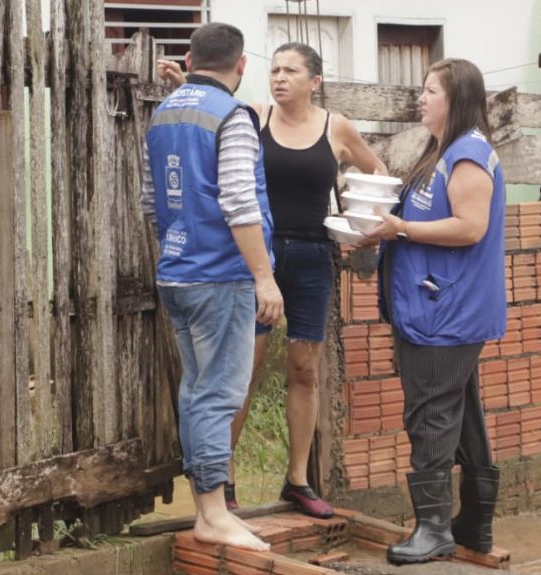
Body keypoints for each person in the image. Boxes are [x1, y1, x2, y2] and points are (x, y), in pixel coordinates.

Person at [159, 43, 388, 518]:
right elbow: (212, 114)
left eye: (291, 71)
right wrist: (185, 88)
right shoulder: (253, 116)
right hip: (258, 257)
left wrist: (367, 221)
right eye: (274, 69)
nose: (279, 78)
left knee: (304, 369)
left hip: (312, 255)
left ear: (314, 81)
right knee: (242, 371)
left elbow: (378, 171)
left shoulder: (336, 127)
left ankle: (297, 481)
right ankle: (224, 483)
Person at [142, 22, 283, 552]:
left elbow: (151, 200)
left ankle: (211, 509)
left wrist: (179, 249)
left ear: (189, 56)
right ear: (241, 65)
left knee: (197, 389)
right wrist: (264, 277)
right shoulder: (233, 117)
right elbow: (239, 203)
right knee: (219, 394)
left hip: (177, 271)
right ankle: (212, 513)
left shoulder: (165, 112)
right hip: (222, 274)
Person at [360, 58, 506, 564]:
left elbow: (470, 227)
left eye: (430, 91)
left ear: (457, 99)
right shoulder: (440, 152)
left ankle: (433, 529)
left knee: (430, 416)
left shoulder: (466, 156)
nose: (421, 99)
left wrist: (399, 230)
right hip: (431, 304)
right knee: (460, 414)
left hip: (447, 310)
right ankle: (473, 526)